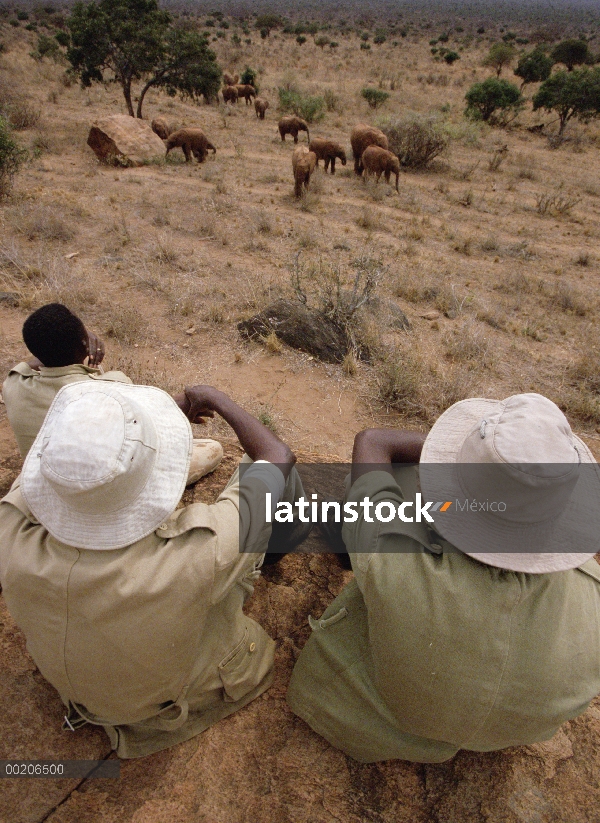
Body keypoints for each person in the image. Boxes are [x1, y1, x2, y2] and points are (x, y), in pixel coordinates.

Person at [287, 393, 600, 763]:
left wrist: (463, 458)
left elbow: (373, 441)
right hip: (503, 736)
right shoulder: (591, 593)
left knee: (386, 489)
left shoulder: (395, 562)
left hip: (372, 716)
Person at [0, 380, 305, 758]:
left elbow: (36, 477)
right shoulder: (196, 555)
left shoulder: (8, 527)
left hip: (75, 689)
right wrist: (216, 399)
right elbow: (277, 457)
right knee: (272, 483)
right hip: (162, 705)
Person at [2, 302, 223, 483]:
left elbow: (34, 362)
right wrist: (185, 403)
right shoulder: (112, 385)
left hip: (46, 480)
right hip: (103, 485)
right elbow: (147, 420)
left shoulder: (13, 385)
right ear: (84, 343)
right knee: (213, 448)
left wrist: (72, 341)